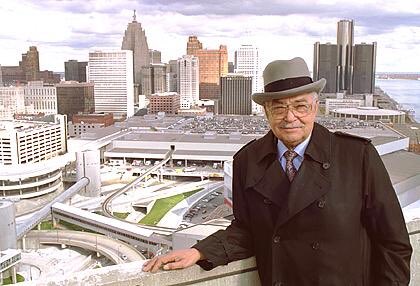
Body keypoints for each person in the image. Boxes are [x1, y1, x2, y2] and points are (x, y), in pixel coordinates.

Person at [143, 57, 412, 285]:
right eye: (279, 107)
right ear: (266, 112)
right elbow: (247, 230)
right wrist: (200, 251)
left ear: (315, 107)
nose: (290, 116)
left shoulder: (356, 157)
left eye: (300, 106)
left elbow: (393, 242)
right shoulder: (247, 160)